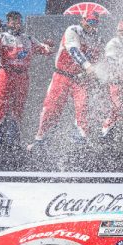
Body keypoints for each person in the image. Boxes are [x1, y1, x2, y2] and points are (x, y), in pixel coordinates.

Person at [28, 11, 102, 149]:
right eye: (89, 22)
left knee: (84, 106)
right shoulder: (73, 30)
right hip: (62, 75)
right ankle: (41, 139)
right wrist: (88, 66)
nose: (91, 25)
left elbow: (97, 59)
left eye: (94, 23)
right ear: (83, 20)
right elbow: (74, 51)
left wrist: (96, 71)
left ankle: (82, 139)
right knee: (52, 107)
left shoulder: (96, 38)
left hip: (80, 78)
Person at [0, 11, 52, 146]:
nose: (16, 23)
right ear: (7, 23)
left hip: (22, 75)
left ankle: (14, 138)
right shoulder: (1, 36)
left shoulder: (29, 38)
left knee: (18, 106)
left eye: (18, 21)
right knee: (2, 104)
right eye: (13, 21)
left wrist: (48, 46)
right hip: (6, 74)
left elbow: (44, 49)